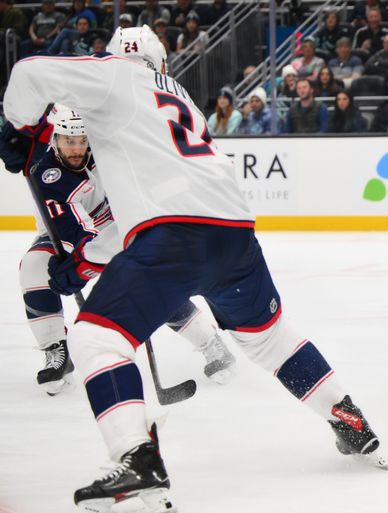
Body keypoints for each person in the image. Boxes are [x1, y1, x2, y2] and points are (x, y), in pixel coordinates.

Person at [3, 24, 386, 513]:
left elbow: (28, 71)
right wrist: (85, 259)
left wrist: (19, 127)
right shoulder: (181, 97)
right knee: (268, 339)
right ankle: (349, 417)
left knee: (98, 340)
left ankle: (138, 470)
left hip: (173, 238)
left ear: (116, 60)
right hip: (234, 235)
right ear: (161, 64)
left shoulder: (115, 78)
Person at [14, 104, 237, 395]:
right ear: (56, 139)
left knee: (151, 280)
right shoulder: (47, 175)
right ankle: (56, 349)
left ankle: (210, 342)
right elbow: (74, 233)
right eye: (69, 140)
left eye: (82, 140)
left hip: (117, 229)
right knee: (33, 267)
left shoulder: (107, 154)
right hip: (67, 239)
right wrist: (89, 262)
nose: (77, 148)